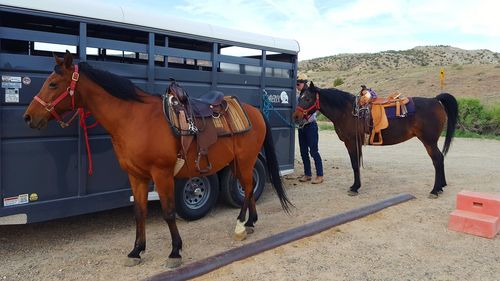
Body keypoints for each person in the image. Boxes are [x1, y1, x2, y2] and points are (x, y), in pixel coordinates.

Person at [296, 73, 324, 184]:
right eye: (296, 84)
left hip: (310, 126)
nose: (297, 86)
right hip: (302, 126)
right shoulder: (301, 96)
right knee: (303, 152)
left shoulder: (310, 95)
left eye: (298, 84)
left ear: (304, 83)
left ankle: (320, 175)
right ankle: (307, 174)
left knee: (313, 151)